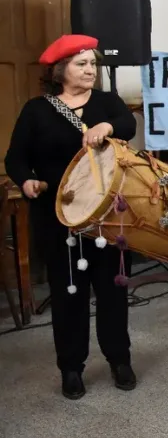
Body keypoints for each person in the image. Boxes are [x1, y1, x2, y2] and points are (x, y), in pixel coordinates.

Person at [4, 34, 138, 400]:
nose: (90, 70)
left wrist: (106, 127)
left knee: (113, 293)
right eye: (82, 64)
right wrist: (27, 180)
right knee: (67, 296)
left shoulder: (107, 102)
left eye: (93, 63)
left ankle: (120, 359)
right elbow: (15, 158)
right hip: (58, 218)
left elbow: (127, 124)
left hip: (106, 216)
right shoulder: (36, 110)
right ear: (60, 70)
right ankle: (71, 368)